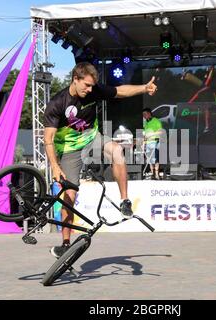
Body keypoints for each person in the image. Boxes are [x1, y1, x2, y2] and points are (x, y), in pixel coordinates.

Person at [44, 62, 157, 258]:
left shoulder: (93, 90)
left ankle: (125, 201)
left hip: (92, 136)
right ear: (75, 79)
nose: (89, 90)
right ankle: (65, 243)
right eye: (86, 85)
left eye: (91, 86)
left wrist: (143, 88)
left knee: (116, 151)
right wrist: (54, 166)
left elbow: (120, 91)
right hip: (70, 148)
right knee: (69, 195)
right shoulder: (57, 103)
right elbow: (48, 140)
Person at [142, 108, 163, 180]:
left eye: (145, 114)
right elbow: (145, 135)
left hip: (155, 142)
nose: (144, 116)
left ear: (149, 113)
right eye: (143, 115)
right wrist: (143, 143)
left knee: (156, 158)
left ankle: (157, 174)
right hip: (148, 143)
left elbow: (160, 132)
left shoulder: (156, 121)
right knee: (149, 159)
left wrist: (151, 134)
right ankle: (152, 174)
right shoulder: (146, 123)